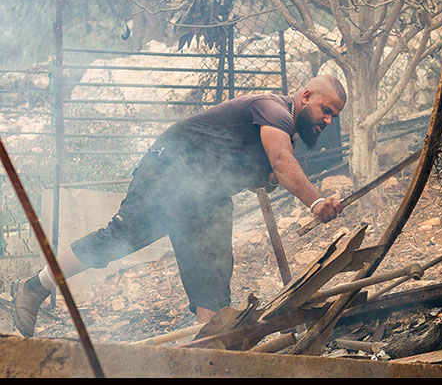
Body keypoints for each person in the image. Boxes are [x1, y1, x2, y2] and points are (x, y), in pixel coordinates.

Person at [11, 74, 346, 337]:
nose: (328, 120)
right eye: (326, 110)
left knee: (212, 275)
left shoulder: (287, 131)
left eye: (334, 115)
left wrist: (269, 178)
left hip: (207, 195)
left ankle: (209, 351)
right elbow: (282, 159)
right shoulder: (273, 110)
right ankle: (33, 287)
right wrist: (315, 201)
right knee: (121, 236)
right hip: (169, 172)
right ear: (305, 97)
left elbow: (269, 171)